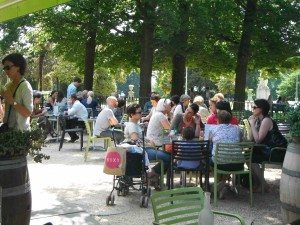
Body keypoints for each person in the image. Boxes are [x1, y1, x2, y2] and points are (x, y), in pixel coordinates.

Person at [248, 99, 287, 192]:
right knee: (248, 155)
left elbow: (258, 140)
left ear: (261, 109)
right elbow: (251, 139)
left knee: (251, 157)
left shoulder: (266, 120)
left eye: (254, 107)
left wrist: (253, 125)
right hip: (268, 149)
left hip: (277, 151)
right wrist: (251, 125)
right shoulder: (259, 120)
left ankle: (263, 185)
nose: (252, 109)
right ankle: (260, 184)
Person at [0, 53, 33, 131]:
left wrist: (12, 101)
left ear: (18, 67)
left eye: (8, 67)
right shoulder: (8, 86)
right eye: (4, 68)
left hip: (20, 136)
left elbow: (28, 113)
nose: (5, 71)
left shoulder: (25, 86)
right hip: (8, 132)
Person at [146, 98, 172, 189]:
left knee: (169, 155)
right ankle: (153, 173)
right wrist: (170, 115)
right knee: (169, 157)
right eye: (169, 105)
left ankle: (155, 178)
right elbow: (169, 129)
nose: (171, 106)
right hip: (155, 144)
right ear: (164, 106)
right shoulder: (160, 115)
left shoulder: (157, 114)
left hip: (154, 142)